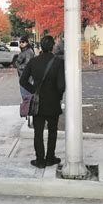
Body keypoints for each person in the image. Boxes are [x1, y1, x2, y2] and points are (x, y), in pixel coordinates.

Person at [20, 35, 65, 168]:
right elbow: (61, 85)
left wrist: (33, 90)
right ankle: (50, 157)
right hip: (53, 102)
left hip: (37, 103)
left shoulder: (33, 61)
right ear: (52, 47)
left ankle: (40, 160)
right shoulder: (58, 62)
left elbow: (22, 80)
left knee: (38, 132)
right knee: (52, 131)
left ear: (40, 46)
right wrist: (58, 95)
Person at [15, 35, 35, 99]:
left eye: (23, 42)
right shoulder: (24, 51)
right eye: (20, 42)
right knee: (26, 97)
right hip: (24, 77)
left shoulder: (28, 51)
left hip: (26, 78)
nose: (21, 43)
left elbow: (27, 65)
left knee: (26, 98)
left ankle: (27, 108)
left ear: (26, 43)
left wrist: (18, 66)